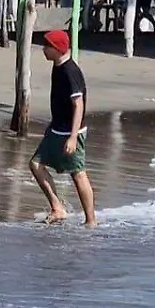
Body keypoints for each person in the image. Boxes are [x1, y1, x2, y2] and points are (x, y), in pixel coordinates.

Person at [28, 29, 96, 226]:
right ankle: (57, 208)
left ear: (57, 49)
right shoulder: (58, 66)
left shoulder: (70, 71)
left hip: (70, 132)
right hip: (57, 129)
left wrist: (73, 137)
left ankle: (91, 221)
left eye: (47, 46)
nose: (43, 49)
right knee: (35, 165)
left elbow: (78, 104)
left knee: (78, 173)